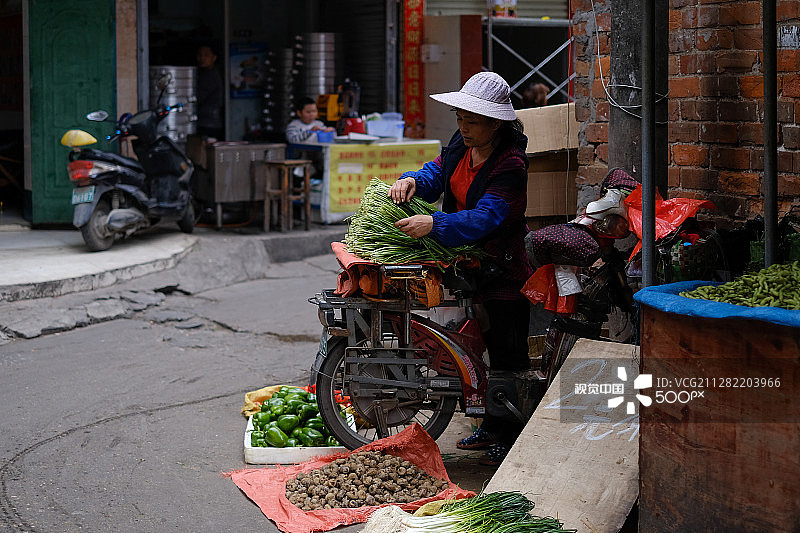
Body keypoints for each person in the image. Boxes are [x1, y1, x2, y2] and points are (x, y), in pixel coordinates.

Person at [387, 71, 533, 467]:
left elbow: (488, 217)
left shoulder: (510, 165)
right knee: (475, 346)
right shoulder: (460, 146)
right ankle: (489, 422)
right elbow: (437, 172)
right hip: (468, 263)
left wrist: (434, 225)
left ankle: (512, 433)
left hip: (502, 268)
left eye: (471, 120)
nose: (463, 127)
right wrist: (412, 182)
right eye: (460, 117)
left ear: (496, 123)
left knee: (507, 354)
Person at [195, 44, 224, 140]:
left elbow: (198, 97)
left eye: (206, 55)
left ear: (214, 58)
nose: (202, 58)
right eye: (200, 55)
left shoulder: (211, 75)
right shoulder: (204, 74)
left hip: (209, 124)